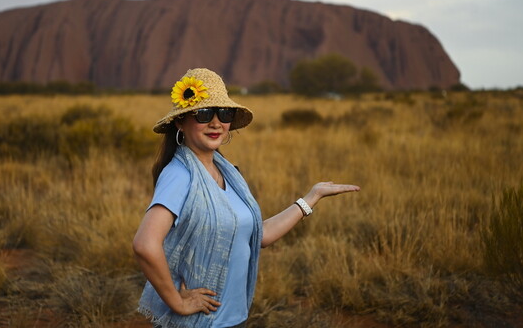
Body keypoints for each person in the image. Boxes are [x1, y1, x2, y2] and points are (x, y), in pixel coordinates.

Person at [133, 68, 360, 328]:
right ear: (180, 121)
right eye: (204, 114)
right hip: (198, 322)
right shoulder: (180, 175)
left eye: (224, 113)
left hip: (232, 317)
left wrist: (310, 197)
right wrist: (178, 301)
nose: (216, 122)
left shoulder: (227, 173)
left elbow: (257, 235)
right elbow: (145, 244)